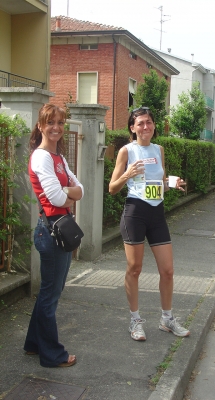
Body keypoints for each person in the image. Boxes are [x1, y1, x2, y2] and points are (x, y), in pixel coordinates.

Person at [109, 106, 190, 341]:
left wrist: (171, 184)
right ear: (132, 128)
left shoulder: (159, 150)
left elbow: (159, 183)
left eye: (149, 123)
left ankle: (167, 319)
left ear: (154, 126)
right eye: (141, 123)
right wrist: (127, 174)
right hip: (135, 213)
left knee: (168, 270)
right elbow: (113, 188)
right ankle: (135, 321)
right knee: (134, 269)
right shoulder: (127, 151)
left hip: (157, 213)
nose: (146, 127)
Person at [24, 104, 84, 367]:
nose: (56, 128)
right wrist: (70, 192)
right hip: (50, 230)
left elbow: (80, 188)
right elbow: (59, 196)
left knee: (52, 290)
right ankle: (52, 355)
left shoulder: (59, 157)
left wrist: (71, 191)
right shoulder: (41, 157)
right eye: (51, 123)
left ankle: (33, 344)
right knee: (50, 294)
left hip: (61, 228)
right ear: (40, 126)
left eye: (60, 122)